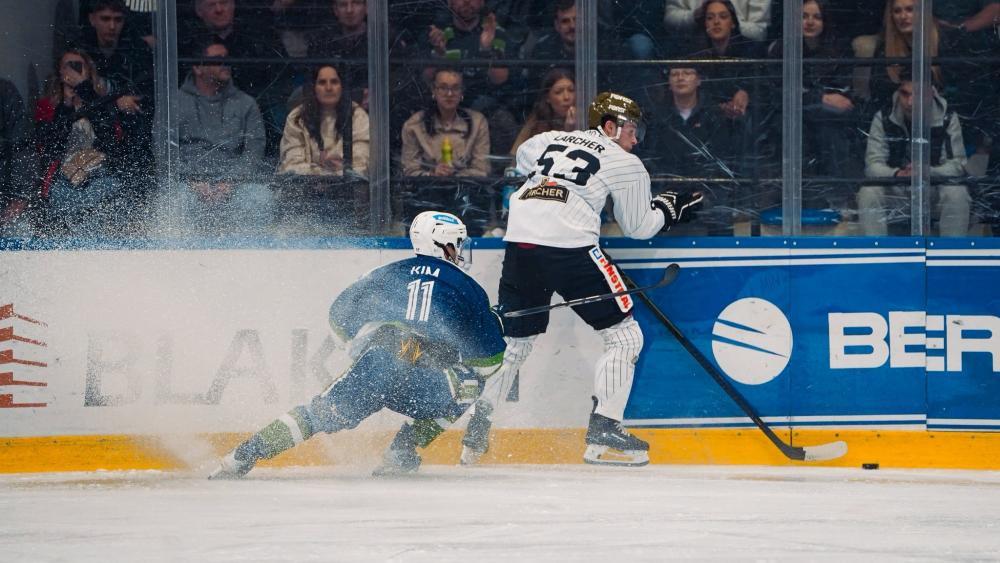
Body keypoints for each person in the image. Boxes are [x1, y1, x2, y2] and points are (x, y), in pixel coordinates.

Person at [460, 92, 704, 467]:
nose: (635, 139)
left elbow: (523, 155)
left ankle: (477, 431)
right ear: (609, 126)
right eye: (630, 129)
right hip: (570, 249)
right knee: (625, 335)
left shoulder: (548, 139)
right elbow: (639, 227)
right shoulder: (625, 161)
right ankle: (604, 431)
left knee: (517, 342)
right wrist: (668, 210)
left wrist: (555, 181)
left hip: (520, 244)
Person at [209, 211, 505, 479]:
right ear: (443, 245)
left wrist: (357, 348)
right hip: (421, 383)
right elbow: (489, 363)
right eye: (457, 243)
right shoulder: (467, 287)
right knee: (470, 384)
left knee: (318, 413)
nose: (460, 250)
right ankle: (401, 452)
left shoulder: (386, 273)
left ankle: (239, 458)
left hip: (375, 366)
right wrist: (490, 325)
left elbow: (339, 313)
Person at [161, 40, 272, 235]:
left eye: (227, 59)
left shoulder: (246, 103)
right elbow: (163, 150)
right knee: (173, 201)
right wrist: (192, 180)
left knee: (260, 198)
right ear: (198, 67)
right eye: (218, 60)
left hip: (234, 185)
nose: (225, 64)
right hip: (188, 185)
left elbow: (254, 151)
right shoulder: (173, 103)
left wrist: (230, 181)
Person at [33, 48, 135, 237]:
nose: (74, 70)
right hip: (62, 175)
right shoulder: (48, 106)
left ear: (89, 71)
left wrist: (85, 90)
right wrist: (66, 103)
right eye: (69, 66)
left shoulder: (102, 103)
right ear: (60, 72)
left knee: (110, 192)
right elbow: (49, 144)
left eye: (79, 66)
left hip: (99, 173)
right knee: (60, 198)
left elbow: (111, 139)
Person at [857, 78, 969, 236]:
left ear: (931, 94)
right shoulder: (883, 116)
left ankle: (953, 257)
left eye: (917, 95)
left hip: (933, 190)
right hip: (897, 190)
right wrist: (897, 174)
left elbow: (957, 165)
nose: (910, 102)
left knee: (957, 194)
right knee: (868, 193)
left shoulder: (947, 116)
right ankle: (876, 255)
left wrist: (928, 172)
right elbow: (872, 166)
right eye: (905, 94)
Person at [278, 65, 370, 178]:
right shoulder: (296, 118)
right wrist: (329, 172)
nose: (329, 87)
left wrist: (316, 171)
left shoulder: (358, 116)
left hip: (349, 191)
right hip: (305, 191)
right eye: (322, 82)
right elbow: (292, 167)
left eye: (334, 82)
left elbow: (360, 167)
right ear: (313, 87)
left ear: (342, 87)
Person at [400, 68, 490, 177]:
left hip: (468, 189)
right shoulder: (414, 125)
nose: (449, 93)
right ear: (433, 91)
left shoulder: (478, 122)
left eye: (456, 88)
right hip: (425, 189)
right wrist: (432, 174)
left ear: (462, 92)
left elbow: (482, 169)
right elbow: (409, 170)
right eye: (443, 87)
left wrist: (456, 176)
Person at [509, 68, 577, 156]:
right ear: (547, 98)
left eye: (571, 90)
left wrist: (571, 131)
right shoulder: (536, 121)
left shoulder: (587, 119)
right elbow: (516, 157)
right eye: (558, 92)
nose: (567, 97)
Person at [0, 79, 35, 235]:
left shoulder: (4, 91)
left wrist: (20, 195)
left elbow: (22, 145)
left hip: (5, 194)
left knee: (20, 230)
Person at [665, 0, 773, 41]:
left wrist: (728, 22)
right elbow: (669, 21)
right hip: (692, 46)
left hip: (742, 51)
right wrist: (693, 16)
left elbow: (759, 32)